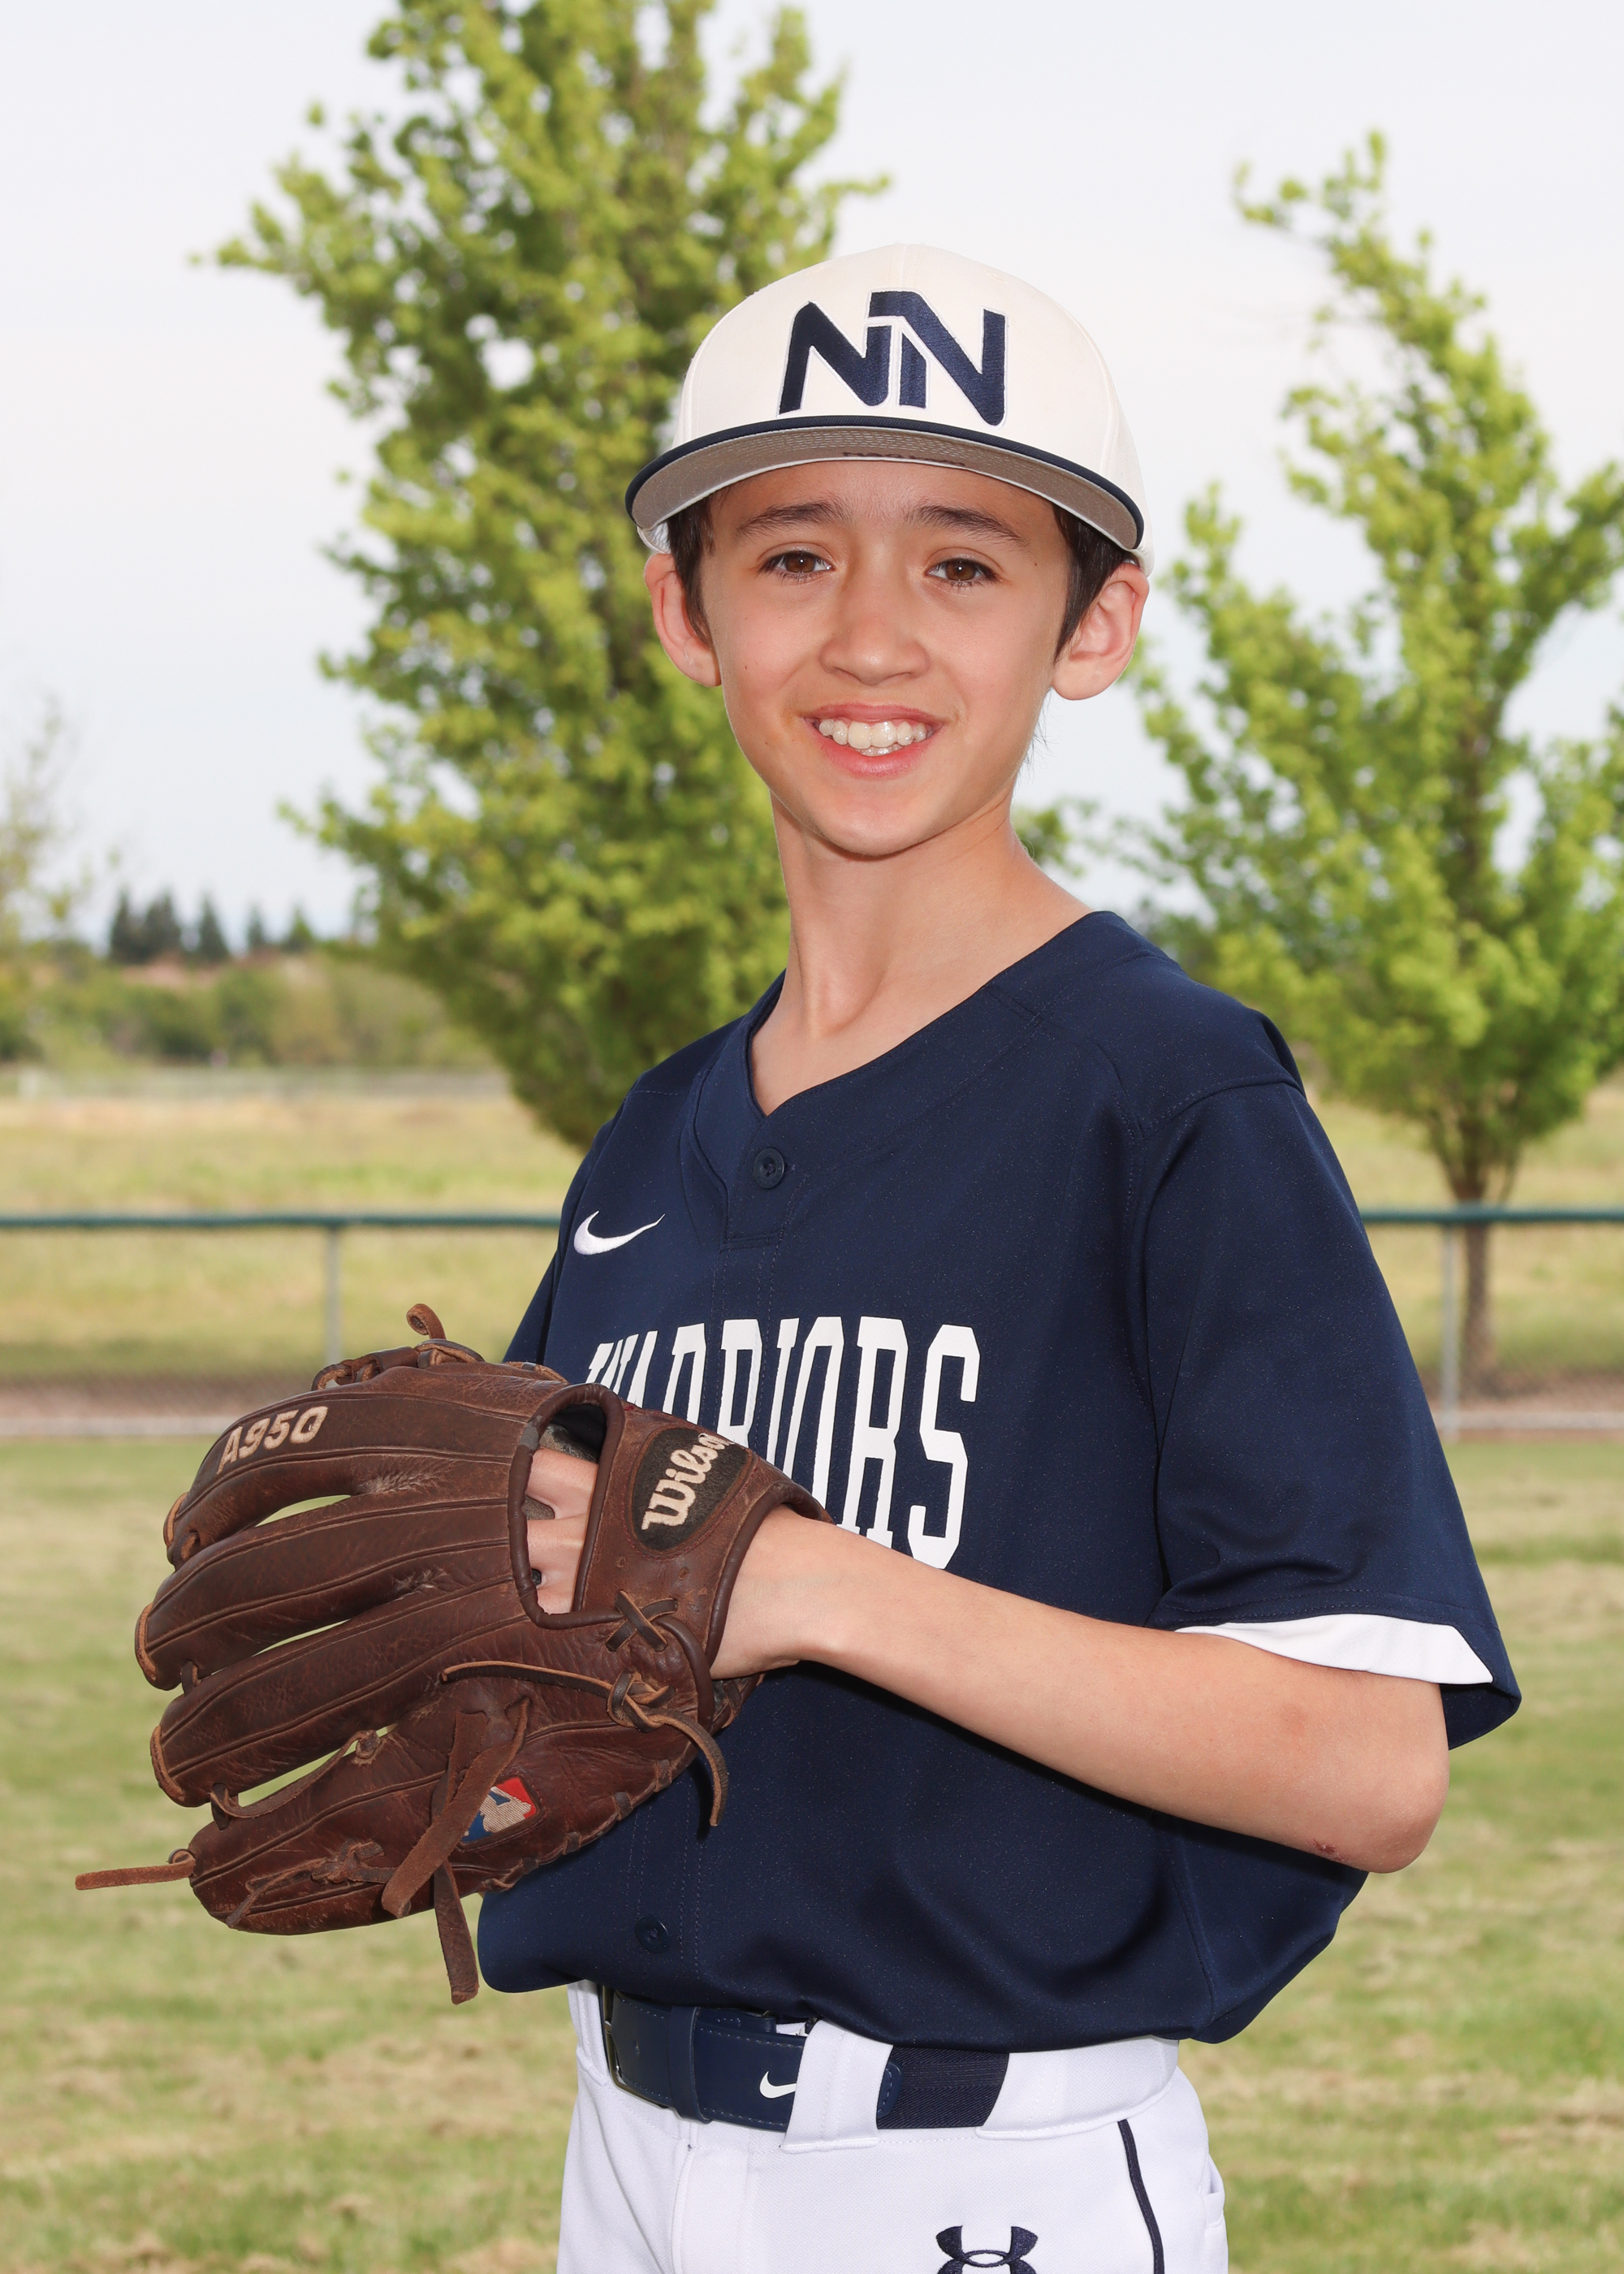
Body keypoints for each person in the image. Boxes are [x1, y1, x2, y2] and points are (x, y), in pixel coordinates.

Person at [481, 244, 1518, 2274]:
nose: (870, 633)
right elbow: (563, 1649)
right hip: (630, 2150)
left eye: (963, 562)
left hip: (985, 2174)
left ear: (1092, 623)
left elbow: (1367, 1760)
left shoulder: (1171, 1095)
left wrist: (820, 1589)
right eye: (793, 555)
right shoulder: (651, 1141)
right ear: (686, 611)